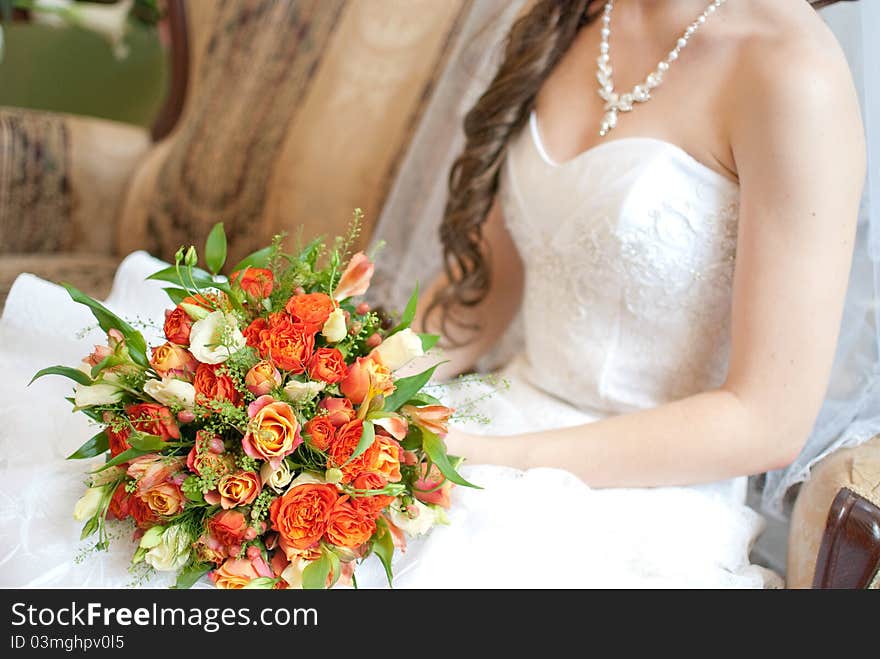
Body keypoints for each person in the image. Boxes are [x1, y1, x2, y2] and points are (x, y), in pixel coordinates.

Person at [355, 0, 866, 588]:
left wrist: (488, 458)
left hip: (644, 498)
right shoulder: (569, 19)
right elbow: (486, 294)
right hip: (494, 416)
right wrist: (359, 381)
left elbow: (767, 421)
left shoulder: (793, 70)